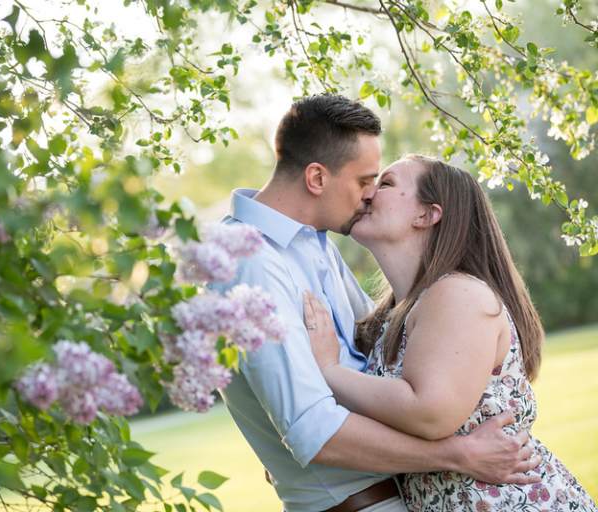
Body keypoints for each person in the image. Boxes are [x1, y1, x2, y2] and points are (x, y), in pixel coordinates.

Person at [213, 94, 540, 512]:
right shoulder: (250, 262)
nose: (369, 196)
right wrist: (457, 455)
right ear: (317, 179)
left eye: (380, 183)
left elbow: (387, 351)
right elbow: (311, 429)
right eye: (366, 180)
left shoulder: (314, 245)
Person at [304, 154, 598, 511]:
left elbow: (429, 413)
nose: (366, 194)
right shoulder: (398, 313)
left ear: (427, 214)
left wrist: (329, 371)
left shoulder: (457, 293)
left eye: (385, 183)